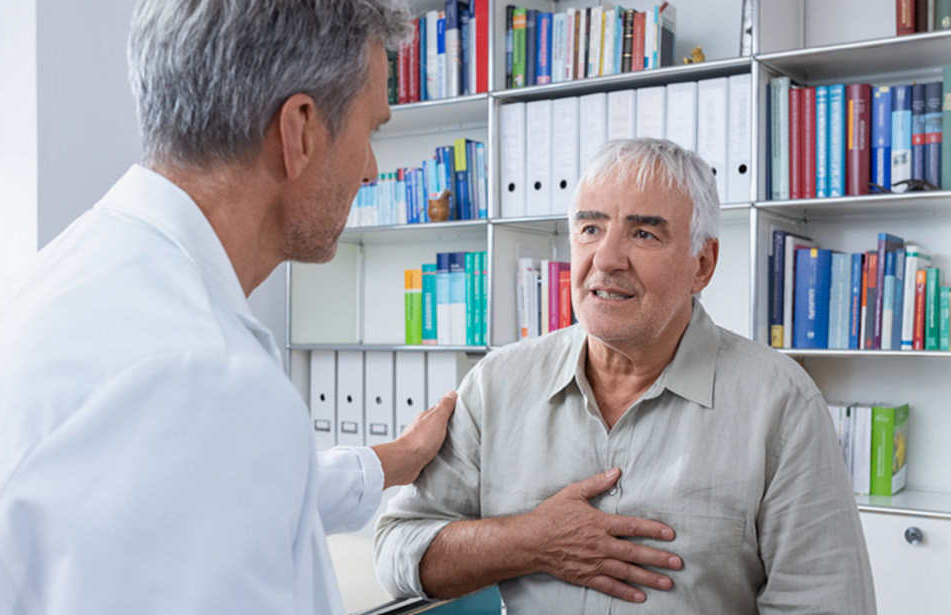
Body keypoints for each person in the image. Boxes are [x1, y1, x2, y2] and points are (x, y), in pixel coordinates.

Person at [0, 1, 441, 613]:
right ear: (300, 129)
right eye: (371, 131)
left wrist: (394, 461)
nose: (372, 171)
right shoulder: (199, 382)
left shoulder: (75, 290)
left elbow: (229, 488)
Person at [375, 138, 877, 614]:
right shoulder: (497, 383)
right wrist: (529, 542)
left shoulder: (781, 403)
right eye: (590, 229)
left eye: (643, 234)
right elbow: (398, 549)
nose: (607, 259)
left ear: (702, 265)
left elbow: (825, 603)